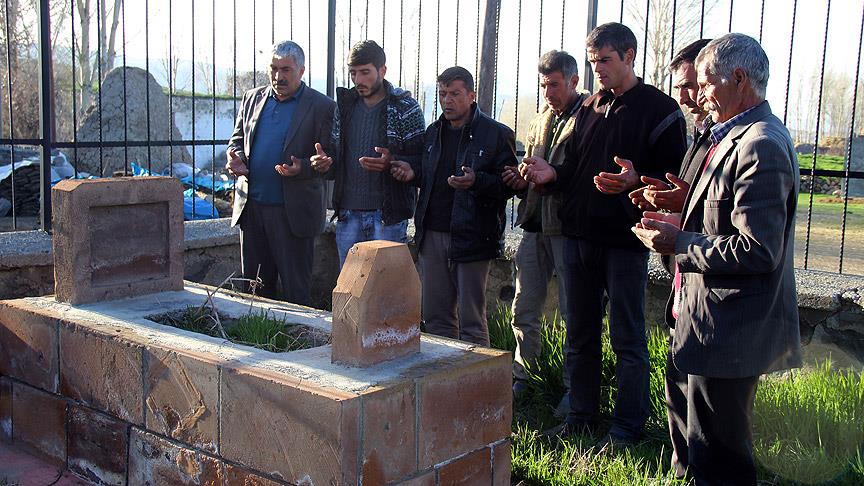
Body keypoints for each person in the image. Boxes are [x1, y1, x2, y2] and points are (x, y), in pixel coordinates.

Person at [632, 33, 802, 484]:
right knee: (690, 450)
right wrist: (683, 203)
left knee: (719, 462)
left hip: (729, 330)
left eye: (706, 85)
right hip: (699, 318)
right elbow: (722, 212)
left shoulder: (761, 143)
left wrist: (677, 243)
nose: (700, 97)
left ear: (739, 79)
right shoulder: (729, 136)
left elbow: (758, 249)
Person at [520, 22, 687, 445]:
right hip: (578, 238)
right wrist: (550, 173)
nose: (598, 70)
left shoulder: (660, 109)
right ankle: (580, 418)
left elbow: (678, 182)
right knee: (579, 333)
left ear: (629, 56)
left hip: (625, 242)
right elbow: (574, 169)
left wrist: (637, 181)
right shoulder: (590, 107)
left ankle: (627, 427)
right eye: (593, 62)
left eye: (605, 61)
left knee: (627, 336)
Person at [390, 67, 517, 346]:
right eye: (442, 94)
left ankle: (477, 384)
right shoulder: (434, 132)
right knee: (436, 319)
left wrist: (477, 181)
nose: (447, 100)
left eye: (455, 94)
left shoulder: (495, 134)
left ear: (471, 96)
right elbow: (429, 173)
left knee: (472, 321)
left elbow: (510, 186)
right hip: (432, 233)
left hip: (473, 236)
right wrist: (413, 173)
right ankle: (441, 385)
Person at [502, 50, 586, 402]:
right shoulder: (539, 119)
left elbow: (583, 174)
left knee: (573, 312)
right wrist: (521, 178)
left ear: (573, 81)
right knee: (524, 305)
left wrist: (551, 176)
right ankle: (525, 377)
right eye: (543, 85)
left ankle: (572, 389)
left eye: (554, 84)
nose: (548, 92)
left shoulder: (588, 118)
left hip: (567, 227)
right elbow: (532, 165)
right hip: (533, 223)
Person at [226, 40, 335, 305]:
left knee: (296, 293)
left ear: (302, 70)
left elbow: (331, 158)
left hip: (293, 215)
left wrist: (306, 167)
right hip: (252, 210)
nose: (278, 76)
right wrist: (236, 157)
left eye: (286, 69)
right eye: (273, 68)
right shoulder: (252, 98)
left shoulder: (322, 106)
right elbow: (237, 139)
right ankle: (256, 339)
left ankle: (295, 342)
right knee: (254, 291)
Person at [314, 40, 426, 267]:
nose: (358, 80)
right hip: (348, 214)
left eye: (365, 72)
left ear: (382, 70)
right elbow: (336, 155)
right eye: (353, 73)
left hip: (388, 217)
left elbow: (423, 161)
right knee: (349, 291)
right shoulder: (345, 107)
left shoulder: (405, 107)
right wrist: (325, 163)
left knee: (387, 288)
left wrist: (392, 162)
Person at [629, 38, 712, 214]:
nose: (681, 98)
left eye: (688, 86)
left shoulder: (752, 141)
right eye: (678, 88)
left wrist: (686, 203)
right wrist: (665, 195)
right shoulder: (703, 132)